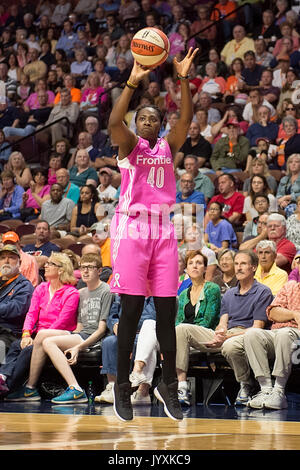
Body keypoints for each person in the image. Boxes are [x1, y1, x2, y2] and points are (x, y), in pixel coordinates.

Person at [108, 48, 199, 422]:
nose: (146, 123)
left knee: (167, 310)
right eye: (141, 118)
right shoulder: (129, 146)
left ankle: (166, 384)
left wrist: (182, 79)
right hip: (132, 227)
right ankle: (122, 387)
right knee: (130, 308)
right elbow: (114, 120)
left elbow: (187, 119)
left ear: (158, 125)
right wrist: (132, 80)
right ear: (137, 123)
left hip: (163, 229)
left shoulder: (167, 145)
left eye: (152, 119)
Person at [6, 253, 113, 403]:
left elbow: (101, 329)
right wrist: (27, 334)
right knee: (40, 341)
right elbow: (79, 325)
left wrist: (79, 347)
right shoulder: (81, 293)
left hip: (91, 338)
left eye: (90, 268)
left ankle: (32, 388)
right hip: (78, 333)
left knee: (43, 337)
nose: (85, 271)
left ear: (99, 271)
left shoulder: (105, 291)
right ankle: (30, 387)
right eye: (83, 268)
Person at [0, 252, 79, 396]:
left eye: (50, 264)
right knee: (17, 345)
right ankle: (3, 377)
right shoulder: (41, 288)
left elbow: (62, 321)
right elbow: (31, 314)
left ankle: (10, 387)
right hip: (38, 334)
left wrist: (38, 339)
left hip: (59, 335)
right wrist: (26, 334)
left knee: (28, 350)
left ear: (60, 269)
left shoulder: (71, 293)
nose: (46, 266)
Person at [204, 250, 274, 406]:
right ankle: (179, 387)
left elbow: (257, 328)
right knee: (184, 331)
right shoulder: (229, 294)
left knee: (229, 346)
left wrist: (226, 338)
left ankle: (246, 384)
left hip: (249, 335)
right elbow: (223, 321)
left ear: (254, 267)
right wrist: (220, 331)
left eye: (243, 264)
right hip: (229, 332)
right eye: (236, 264)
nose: (238, 268)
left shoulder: (263, 292)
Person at [244, 277, 300, 410]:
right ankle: (266, 389)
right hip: (278, 332)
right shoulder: (290, 287)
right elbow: (273, 312)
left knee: (285, 334)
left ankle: (279, 391)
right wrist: (294, 314)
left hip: (294, 334)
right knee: (252, 334)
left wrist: (287, 315)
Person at [175, 250, 221, 405]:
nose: (195, 266)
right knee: (170, 333)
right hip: (185, 337)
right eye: (191, 263)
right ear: (186, 269)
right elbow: (178, 320)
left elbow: (209, 320)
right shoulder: (183, 294)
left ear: (205, 268)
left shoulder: (212, 288)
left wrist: (186, 334)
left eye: (199, 263)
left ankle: (182, 386)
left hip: (207, 334)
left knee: (181, 330)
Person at [95, 294, 157, 406]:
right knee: (109, 342)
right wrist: (116, 326)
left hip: (143, 331)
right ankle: (112, 386)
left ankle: (143, 390)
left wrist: (126, 327)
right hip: (122, 330)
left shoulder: (153, 294)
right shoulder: (120, 295)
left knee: (144, 342)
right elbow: (112, 316)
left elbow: (150, 316)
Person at [0, 245, 34, 369]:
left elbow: (17, 308)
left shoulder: (24, 285)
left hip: (10, 333)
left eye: (11, 257)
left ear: (19, 262)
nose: (6, 261)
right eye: (3, 258)